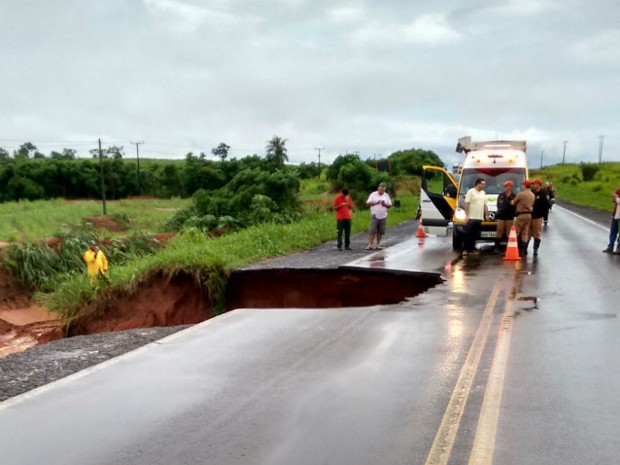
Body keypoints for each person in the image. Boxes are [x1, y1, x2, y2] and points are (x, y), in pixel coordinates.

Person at [463, 178, 489, 255]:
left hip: (479, 217)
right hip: (471, 217)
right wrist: (466, 215)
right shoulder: (471, 192)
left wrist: (487, 215)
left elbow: (485, 205)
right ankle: (466, 249)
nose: (484, 185)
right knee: (468, 233)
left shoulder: (483, 193)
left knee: (475, 234)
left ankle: (472, 248)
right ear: (478, 184)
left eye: (484, 184)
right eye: (482, 184)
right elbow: (466, 204)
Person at [511, 179, 535, 256]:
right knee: (525, 233)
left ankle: (515, 249)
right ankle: (524, 250)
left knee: (516, 232)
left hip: (521, 215)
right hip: (529, 215)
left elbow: (513, 203)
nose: (521, 186)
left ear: (525, 185)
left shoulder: (521, 194)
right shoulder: (532, 194)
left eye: (522, 185)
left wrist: (511, 201)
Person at [366, 182, 392, 250]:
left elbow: (390, 205)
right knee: (372, 231)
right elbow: (368, 203)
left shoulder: (386, 195)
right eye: (380, 190)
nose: (381, 192)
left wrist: (385, 204)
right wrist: (376, 203)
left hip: (383, 216)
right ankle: (370, 244)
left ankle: (378, 244)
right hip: (375, 215)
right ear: (378, 188)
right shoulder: (373, 194)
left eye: (383, 190)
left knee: (380, 231)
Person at [530, 179, 551, 256]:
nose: (533, 185)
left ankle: (535, 250)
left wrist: (543, 213)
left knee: (536, 233)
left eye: (534, 184)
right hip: (530, 215)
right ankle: (524, 249)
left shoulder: (543, 194)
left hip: (538, 216)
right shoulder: (531, 192)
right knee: (527, 233)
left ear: (538, 184)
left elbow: (547, 205)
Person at [494, 180, 516, 253]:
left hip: (510, 217)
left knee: (508, 233)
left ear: (510, 187)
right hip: (501, 217)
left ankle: (508, 249)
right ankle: (496, 248)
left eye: (506, 186)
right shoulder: (501, 195)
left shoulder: (514, 196)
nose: (504, 187)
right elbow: (498, 205)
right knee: (499, 232)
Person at [602, 187, 620, 254]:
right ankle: (611, 246)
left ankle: (619, 247)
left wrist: (617, 198)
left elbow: (616, 199)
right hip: (616, 214)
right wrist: (616, 198)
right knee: (613, 231)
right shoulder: (619, 189)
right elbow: (613, 199)